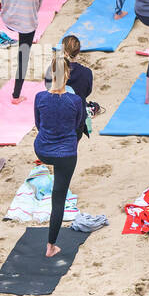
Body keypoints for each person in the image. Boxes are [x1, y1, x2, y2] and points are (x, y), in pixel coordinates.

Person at [34, 54, 87, 258]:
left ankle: (51, 245)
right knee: (59, 198)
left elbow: (39, 124)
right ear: (66, 75)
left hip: (43, 149)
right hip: (65, 152)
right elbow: (77, 126)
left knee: (58, 192)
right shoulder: (74, 101)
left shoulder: (40, 97)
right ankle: (51, 246)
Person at [0, 0, 46, 104]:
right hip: (26, 23)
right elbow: (38, 5)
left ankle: (16, 95)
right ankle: (16, 95)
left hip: (9, 19)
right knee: (23, 57)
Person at [44, 34, 93, 100]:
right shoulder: (87, 72)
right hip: (77, 108)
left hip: (55, 107)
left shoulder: (51, 70)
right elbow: (87, 92)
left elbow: (48, 88)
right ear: (78, 52)